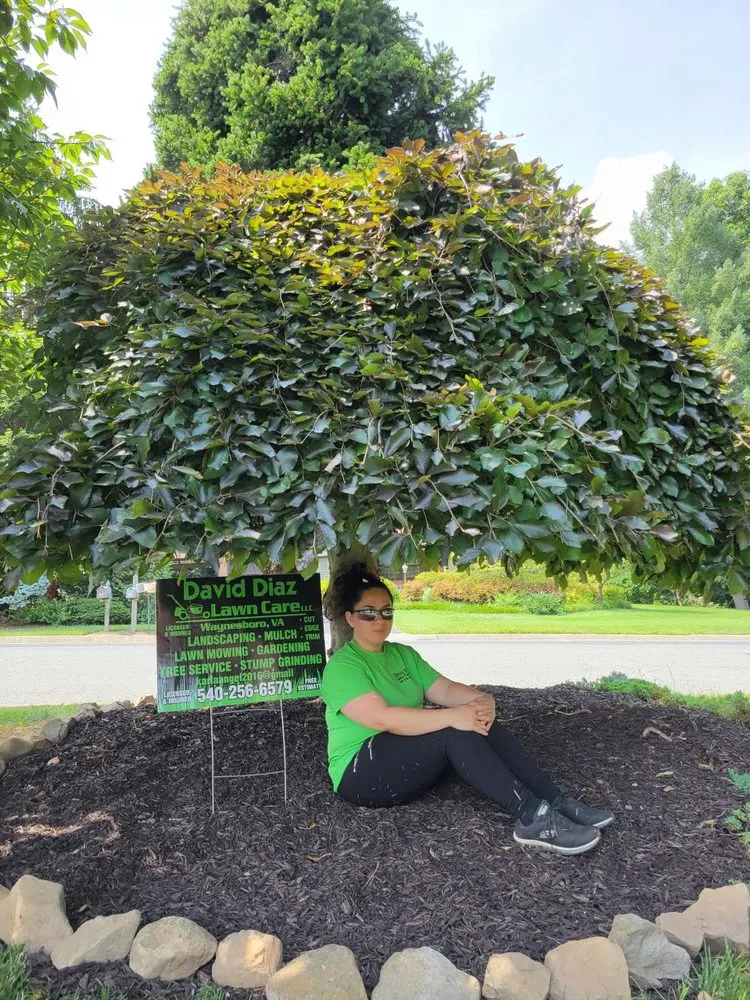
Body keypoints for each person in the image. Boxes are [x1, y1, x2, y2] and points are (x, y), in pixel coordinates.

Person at [321, 564, 614, 856]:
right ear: (350, 617)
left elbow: (446, 690)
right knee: (455, 730)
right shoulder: (343, 667)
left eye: (387, 611)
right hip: (362, 775)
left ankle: (555, 799)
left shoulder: (402, 655)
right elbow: (382, 719)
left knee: (476, 718)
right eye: (368, 612)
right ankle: (531, 817)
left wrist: (481, 701)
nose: (380, 619)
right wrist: (454, 716)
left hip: (404, 762)